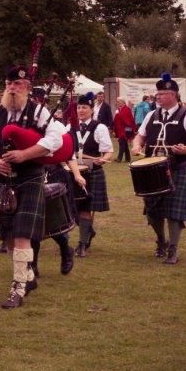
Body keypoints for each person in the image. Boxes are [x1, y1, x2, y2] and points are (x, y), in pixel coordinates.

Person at [0, 65, 67, 309]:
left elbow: (55, 140)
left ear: (28, 87)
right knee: (8, 235)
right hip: (3, 179)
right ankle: (28, 276)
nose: (12, 88)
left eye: (17, 84)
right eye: (9, 84)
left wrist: (25, 154)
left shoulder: (39, 111)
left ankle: (18, 288)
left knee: (21, 234)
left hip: (29, 178)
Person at [131, 73, 186, 265]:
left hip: (177, 168)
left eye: (162, 94)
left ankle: (173, 249)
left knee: (173, 212)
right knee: (152, 211)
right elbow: (140, 136)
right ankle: (161, 240)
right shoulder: (151, 115)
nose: (158, 96)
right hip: (151, 170)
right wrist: (136, 145)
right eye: (158, 93)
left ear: (173, 95)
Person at [74, 93, 114, 257]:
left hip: (92, 173)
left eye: (84, 107)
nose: (81, 110)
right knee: (71, 209)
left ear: (91, 110)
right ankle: (88, 231)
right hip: (74, 172)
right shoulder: (70, 126)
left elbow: (109, 152)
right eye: (79, 107)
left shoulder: (99, 127)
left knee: (84, 209)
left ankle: (82, 244)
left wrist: (102, 160)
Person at [112, 97, 137, 163]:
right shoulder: (119, 110)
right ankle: (128, 158)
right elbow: (116, 120)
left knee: (122, 143)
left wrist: (119, 116)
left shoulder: (127, 109)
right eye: (117, 101)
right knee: (124, 144)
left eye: (119, 101)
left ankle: (119, 158)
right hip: (121, 129)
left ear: (123, 102)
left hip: (127, 129)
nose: (118, 103)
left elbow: (129, 119)